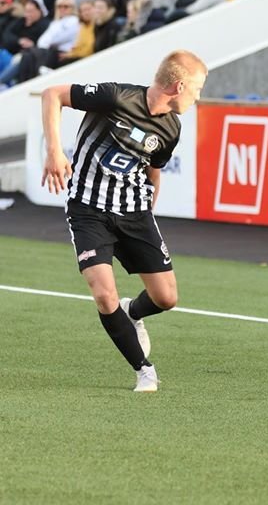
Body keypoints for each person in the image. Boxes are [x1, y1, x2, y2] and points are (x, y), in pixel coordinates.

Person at [40, 50, 208, 393]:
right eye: (197, 88)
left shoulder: (171, 128)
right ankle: (145, 370)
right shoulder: (115, 96)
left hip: (134, 213)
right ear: (178, 86)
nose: (198, 97)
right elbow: (52, 94)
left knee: (166, 298)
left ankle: (133, 312)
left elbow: (153, 172)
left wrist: (148, 213)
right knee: (104, 296)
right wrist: (55, 152)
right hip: (88, 211)